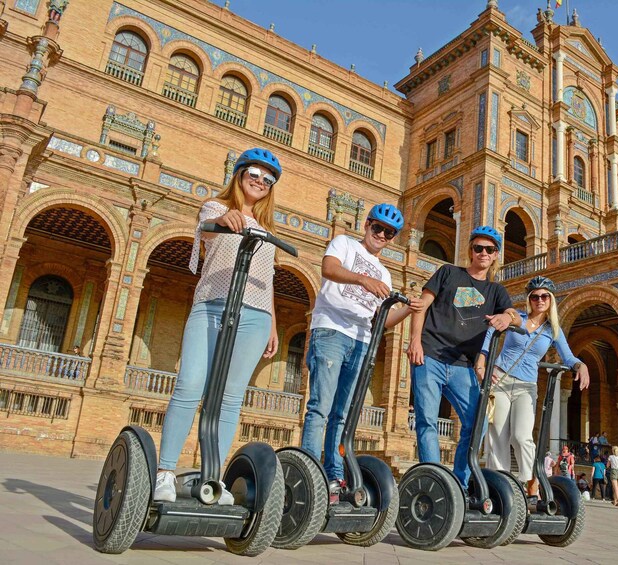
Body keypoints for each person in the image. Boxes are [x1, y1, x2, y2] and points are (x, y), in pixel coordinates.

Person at [154, 148, 282, 504]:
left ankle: (213, 478)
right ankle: (165, 472)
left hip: (255, 317)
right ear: (240, 174)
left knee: (230, 397)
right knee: (191, 383)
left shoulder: (269, 228)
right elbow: (208, 234)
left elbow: (267, 279)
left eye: (267, 179)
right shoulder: (215, 207)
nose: (260, 181)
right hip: (212, 305)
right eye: (254, 173)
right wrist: (227, 219)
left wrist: (272, 323)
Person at [300, 203, 422, 501]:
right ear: (366, 225)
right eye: (377, 227)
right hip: (331, 330)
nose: (381, 235)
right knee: (320, 407)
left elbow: (380, 319)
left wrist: (407, 310)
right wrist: (362, 279)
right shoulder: (344, 244)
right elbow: (328, 269)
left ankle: (334, 475)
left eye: (389, 233)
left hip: (362, 340)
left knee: (343, 413)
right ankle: (307, 470)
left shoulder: (385, 273)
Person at [407, 226, 519, 489]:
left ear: (495, 256)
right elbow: (422, 305)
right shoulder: (448, 272)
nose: (483, 253)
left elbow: (514, 314)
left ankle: (458, 483)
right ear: (471, 251)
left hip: (463, 366)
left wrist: (506, 317)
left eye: (489, 250)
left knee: (476, 423)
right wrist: (414, 340)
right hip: (431, 356)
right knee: (427, 420)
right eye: (478, 248)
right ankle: (434, 482)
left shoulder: (496, 291)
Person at [478, 275, 589, 495]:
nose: (540, 300)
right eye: (535, 296)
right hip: (499, 379)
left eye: (545, 296)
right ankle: (500, 487)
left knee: (521, 436)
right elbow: (495, 328)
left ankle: (531, 480)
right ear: (529, 299)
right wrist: (482, 361)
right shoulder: (516, 316)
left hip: (526, 386)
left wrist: (580, 365)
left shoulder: (552, 330)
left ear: (551, 300)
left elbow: (567, 356)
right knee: (497, 435)